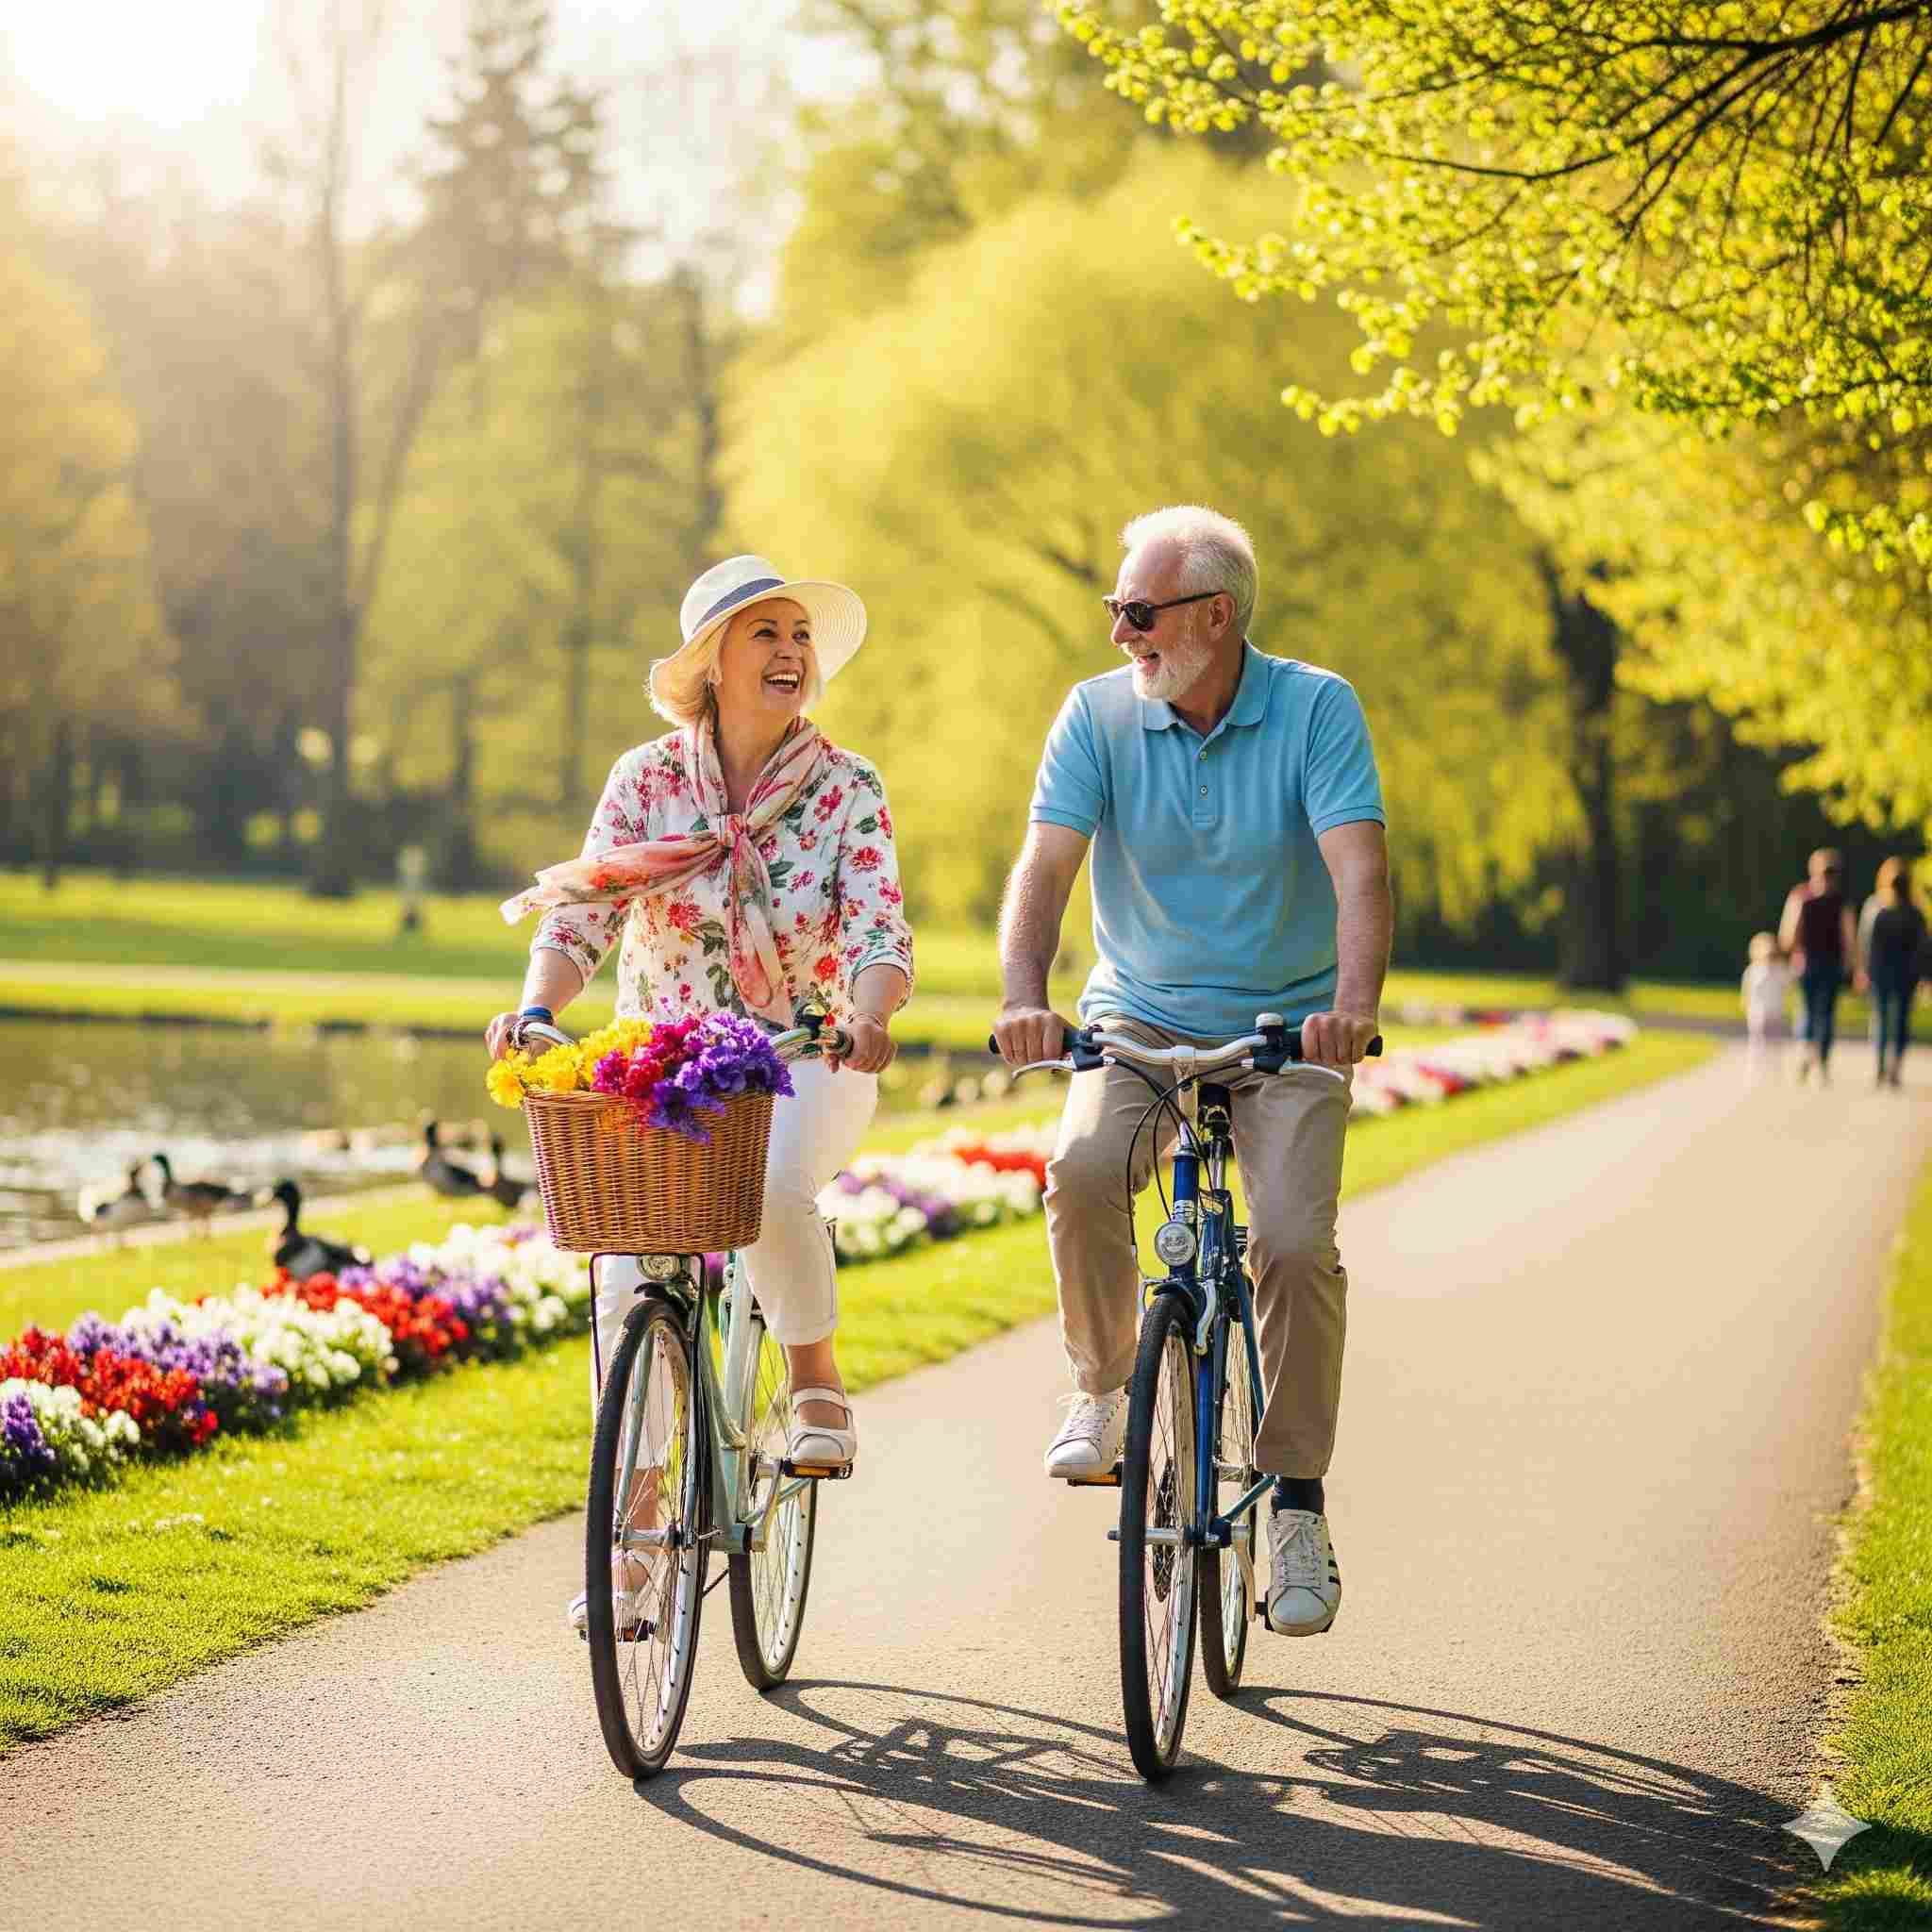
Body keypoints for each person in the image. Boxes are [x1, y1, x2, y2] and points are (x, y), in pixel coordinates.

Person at [488, 556, 914, 1628]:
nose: (789, 651)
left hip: (806, 1053)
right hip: (667, 1064)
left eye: (799, 635)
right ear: (710, 664)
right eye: (764, 633)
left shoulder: (848, 785)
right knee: (624, 1275)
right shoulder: (645, 782)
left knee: (768, 1183)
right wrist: (534, 1010)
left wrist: (869, 1015)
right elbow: (582, 913)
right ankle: (636, 1541)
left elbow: (878, 927)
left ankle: (814, 1382)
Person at [991, 505, 1391, 1641]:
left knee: (1293, 1244)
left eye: (1138, 611)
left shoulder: (1315, 708)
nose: (1119, 632)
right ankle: (1104, 1387)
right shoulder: (1095, 714)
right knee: (1079, 1170)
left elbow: (1358, 871)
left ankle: (1295, 1499)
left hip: (1287, 1029)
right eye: (1115, 609)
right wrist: (1022, 995)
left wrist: (1349, 1011)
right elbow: (1044, 868)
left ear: (1214, 616)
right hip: (1138, 1016)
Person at [1778, 848, 1856, 1083]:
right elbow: (1848, 935)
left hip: (1807, 962)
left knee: (1807, 1009)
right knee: (1826, 1012)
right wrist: (1851, 962)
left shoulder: (1801, 896)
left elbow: (1789, 932)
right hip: (1831, 963)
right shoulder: (1840, 900)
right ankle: (1821, 1060)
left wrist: (1790, 952)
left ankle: (1806, 1050)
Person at [1857, 857, 1926, 1089]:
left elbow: (1865, 942)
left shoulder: (1876, 907)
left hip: (1883, 972)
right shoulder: (1914, 912)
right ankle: (1892, 1067)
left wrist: (1863, 969)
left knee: (1882, 1019)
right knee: (1899, 1021)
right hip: (1903, 973)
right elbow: (1922, 948)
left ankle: (1882, 1067)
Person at [1740, 931, 1793, 1078]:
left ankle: (1774, 1069)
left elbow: (1788, 984)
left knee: (1775, 1043)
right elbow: (1746, 991)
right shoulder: (1752, 971)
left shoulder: (1780, 970)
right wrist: (1746, 1005)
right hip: (1757, 1014)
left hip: (1775, 1013)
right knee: (1757, 1042)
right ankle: (1754, 1069)